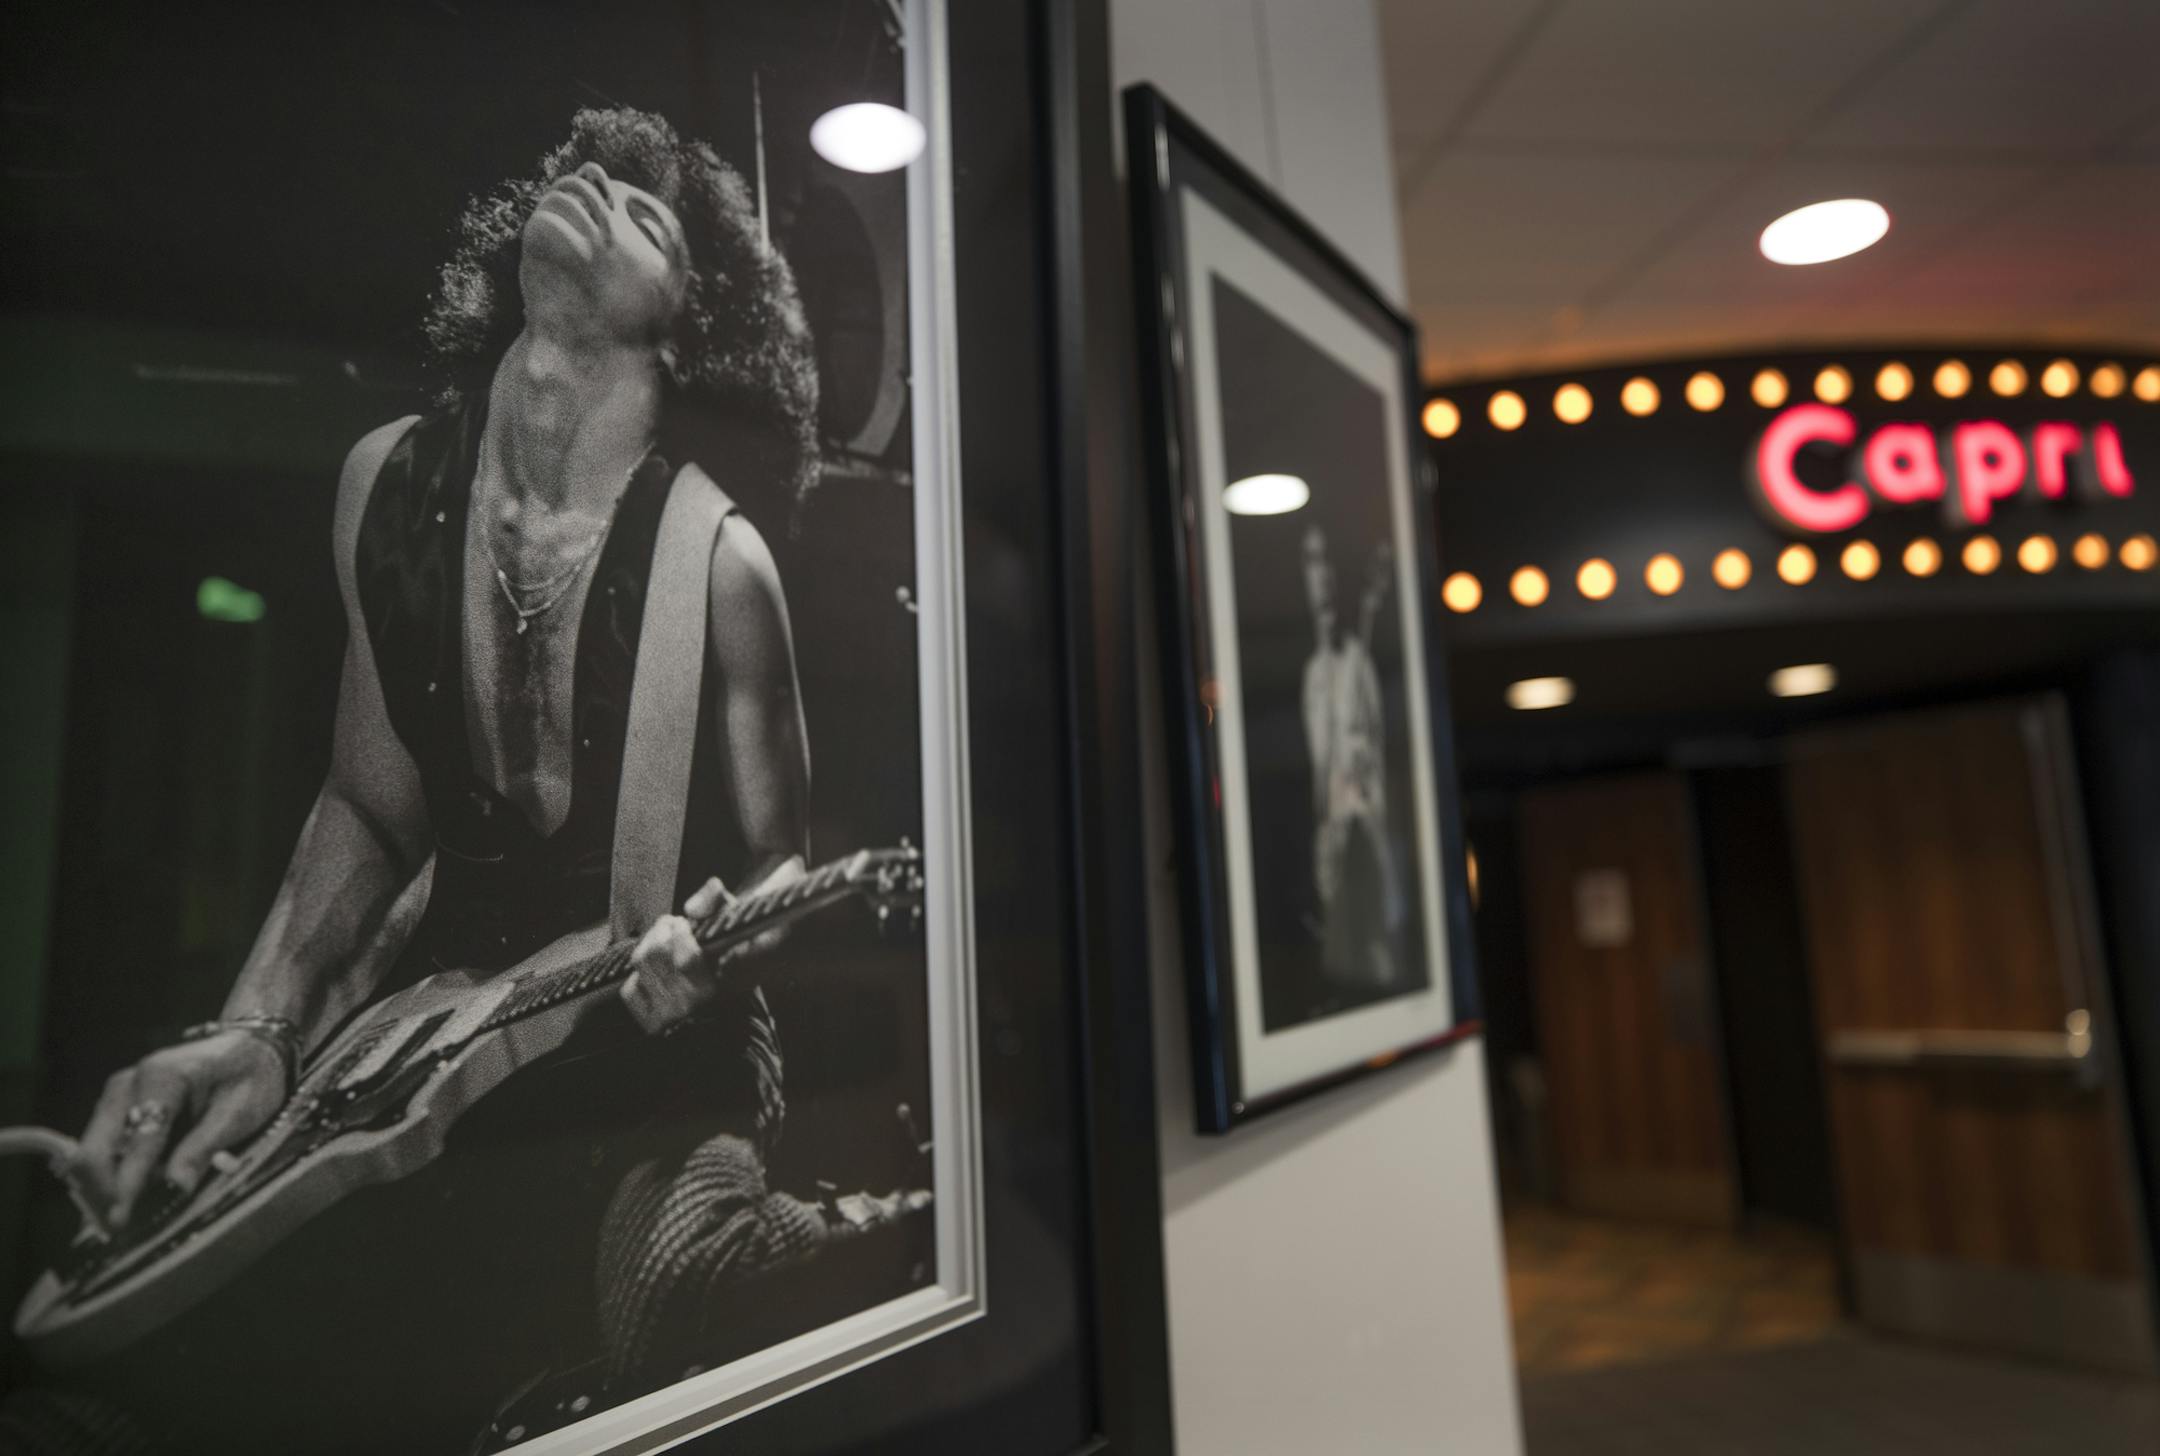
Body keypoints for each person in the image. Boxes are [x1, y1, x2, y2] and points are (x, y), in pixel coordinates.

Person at [11, 107, 904, 1455]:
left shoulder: (718, 570)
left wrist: (707, 957)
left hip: (637, 1060)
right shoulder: (386, 484)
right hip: (411, 1061)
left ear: (687, 330)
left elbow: (787, 862)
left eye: (645, 211)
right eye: (583, 175)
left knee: (665, 1296)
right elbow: (369, 806)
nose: (594, 190)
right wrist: (256, 1031)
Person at [1299, 526, 1403, 991]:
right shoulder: (1315, 674)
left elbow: (1375, 738)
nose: (1321, 579)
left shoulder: (1357, 662)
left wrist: (1364, 771)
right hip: (1334, 815)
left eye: (1325, 564)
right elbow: (1320, 760)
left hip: (1363, 805)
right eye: (1311, 564)